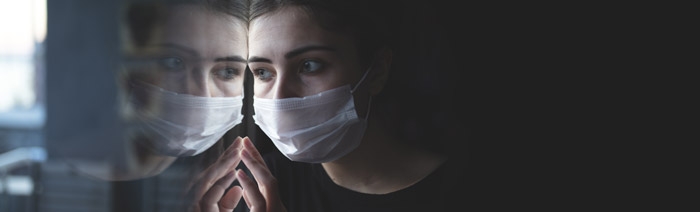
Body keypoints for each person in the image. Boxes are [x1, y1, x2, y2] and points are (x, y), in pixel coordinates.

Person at [228, 0, 465, 211]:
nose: (279, 98)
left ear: (377, 73)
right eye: (262, 72)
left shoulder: (461, 191)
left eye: (310, 65)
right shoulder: (261, 185)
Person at [60, 0, 250, 182]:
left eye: (228, 71)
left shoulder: (235, 179)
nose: (203, 94)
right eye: (173, 63)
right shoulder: (70, 170)